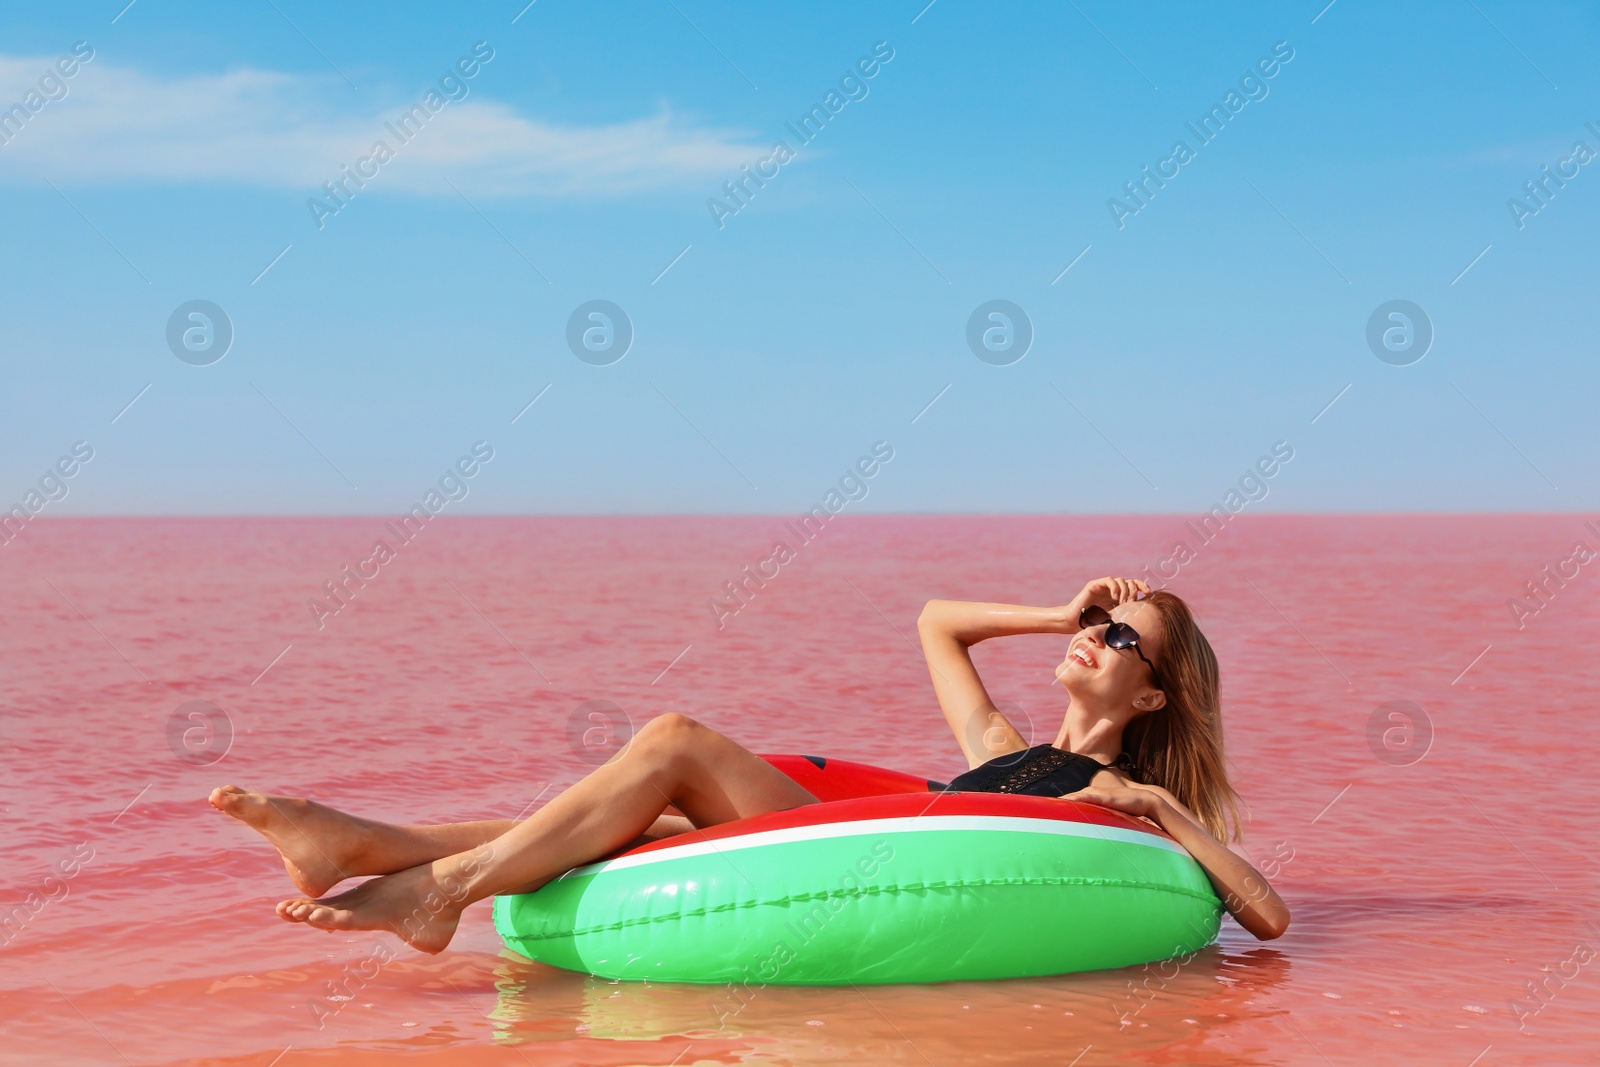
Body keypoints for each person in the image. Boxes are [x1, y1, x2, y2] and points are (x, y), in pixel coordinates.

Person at [211, 575, 1287, 952]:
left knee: (674, 739)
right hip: (867, 837)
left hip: (888, 860)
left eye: (1117, 636)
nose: (1091, 637)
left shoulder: (1111, 795)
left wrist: (1159, 806)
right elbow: (935, 623)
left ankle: (428, 880)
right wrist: (1053, 607)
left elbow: (1268, 917)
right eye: (1096, 621)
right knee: (664, 811)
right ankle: (360, 843)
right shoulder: (1004, 748)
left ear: (1150, 695)